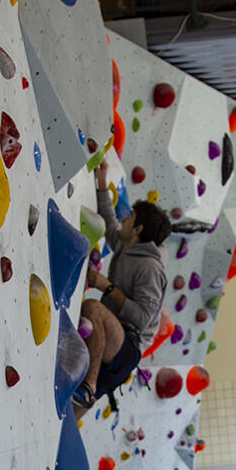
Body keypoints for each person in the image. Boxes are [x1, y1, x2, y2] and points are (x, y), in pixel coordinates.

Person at [73, 160, 170, 417]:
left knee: (92, 308)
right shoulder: (127, 246)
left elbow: (143, 317)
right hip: (110, 337)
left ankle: (89, 385)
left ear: (137, 229)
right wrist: (102, 182)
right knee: (68, 416)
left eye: (130, 218)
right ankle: (87, 391)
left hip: (127, 345)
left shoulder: (150, 268)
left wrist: (107, 286)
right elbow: (109, 222)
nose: (123, 220)